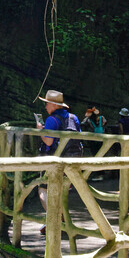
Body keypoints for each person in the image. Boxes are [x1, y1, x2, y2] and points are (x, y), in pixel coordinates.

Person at [36, 89, 82, 232]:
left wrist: (40, 130)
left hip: (55, 161)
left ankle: (54, 219)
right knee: (61, 191)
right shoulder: (74, 118)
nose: (45, 107)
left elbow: (48, 142)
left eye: (47, 104)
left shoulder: (51, 119)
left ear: (53, 105)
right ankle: (61, 220)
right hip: (73, 162)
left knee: (42, 189)